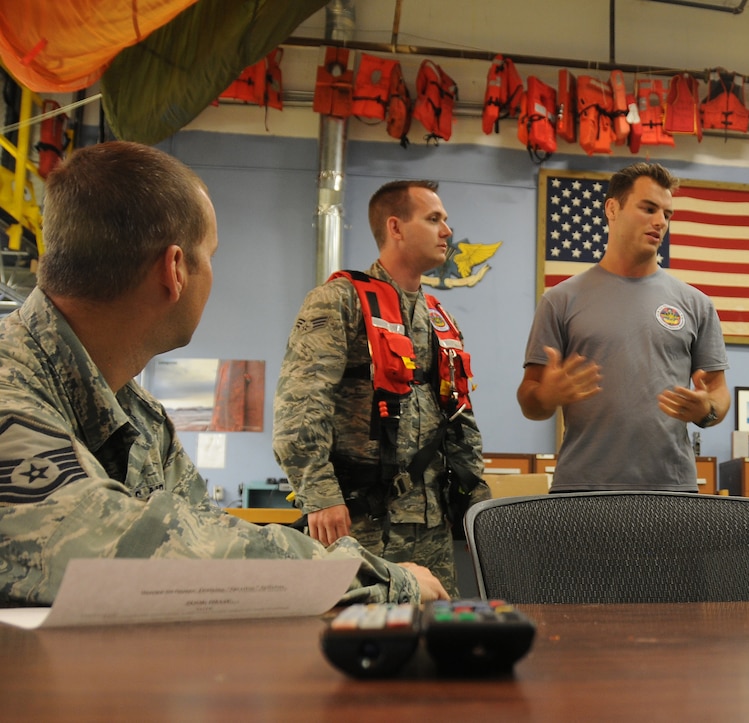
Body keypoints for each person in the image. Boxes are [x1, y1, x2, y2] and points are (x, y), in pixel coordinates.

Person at [0, 141, 448, 607]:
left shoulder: (136, 413)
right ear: (174, 269)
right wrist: (373, 577)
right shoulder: (9, 389)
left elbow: (201, 528)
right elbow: (132, 550)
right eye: (210, 255)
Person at [273, 180, 486, 597]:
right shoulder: (338, 301)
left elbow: (460, 414)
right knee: (363, 637)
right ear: (396, 227)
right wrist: (319, 494)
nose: (447, 231)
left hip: (433, 526)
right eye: (434, 219)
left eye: (446, 220)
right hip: (361, 524)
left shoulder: (439, 319)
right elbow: (300, 405)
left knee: (439, 635)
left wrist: (476, 498)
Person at [517, 162, 730, 492]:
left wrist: (707, 409)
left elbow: (718, 392)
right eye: (648, 208)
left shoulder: (696, 304)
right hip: (582, 490)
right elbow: (529, 401)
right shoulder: (560, 300)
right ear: (612, 208)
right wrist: (546, 395)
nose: (660, 222)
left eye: (667, 214)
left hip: (672, 490)